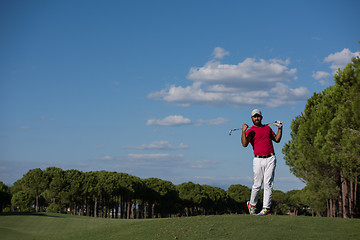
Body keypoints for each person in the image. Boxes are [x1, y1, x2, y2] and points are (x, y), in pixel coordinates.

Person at [241, 109, 282, 216]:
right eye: (254, 117)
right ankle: (252, 205)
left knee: (268, 184)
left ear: (261, 117)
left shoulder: (268, 128)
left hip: (270, 158)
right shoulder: (251, 131)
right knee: (257, 184)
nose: (256, 118)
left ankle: (266, 208)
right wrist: (243, 131)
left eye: (258, 116)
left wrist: (279, 128)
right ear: (251, 119)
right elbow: (244, 144)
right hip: (258, 159)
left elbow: (277, 139)